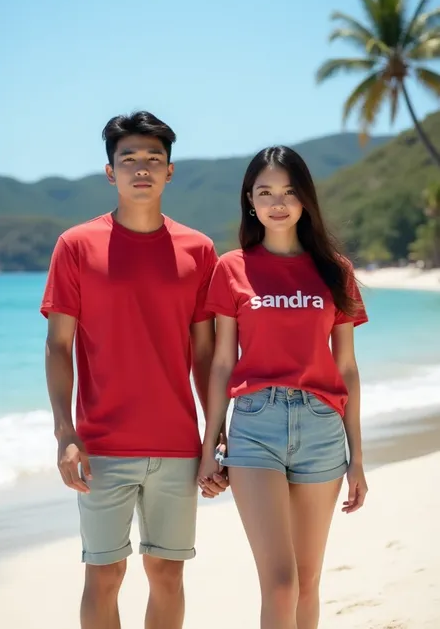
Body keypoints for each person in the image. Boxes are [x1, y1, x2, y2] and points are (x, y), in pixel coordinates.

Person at [40, 111, 228, 629]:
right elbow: (58, 346)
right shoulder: (76, 245)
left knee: (168, 574)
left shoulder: (198, 249)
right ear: (110, 172)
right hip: (100, 446)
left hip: (176, 444)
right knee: (104, 575)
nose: (141, 169)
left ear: (170, 172)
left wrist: (214, 437)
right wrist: (66, 434)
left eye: (153, 159)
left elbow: (205, 355)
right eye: (129, 159)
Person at [198, 145, 369, 629]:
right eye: (265, 191)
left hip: (321, 428)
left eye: (289, 191)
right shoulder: (232, 268)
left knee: (308, 583)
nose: (278, 202)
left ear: (305, 199)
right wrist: (210, 444)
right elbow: (220, 364)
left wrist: (357, 456)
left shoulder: (335, 270)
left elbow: (347, 369)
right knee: (280, 583)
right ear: (250, 201)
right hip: (255, 425)